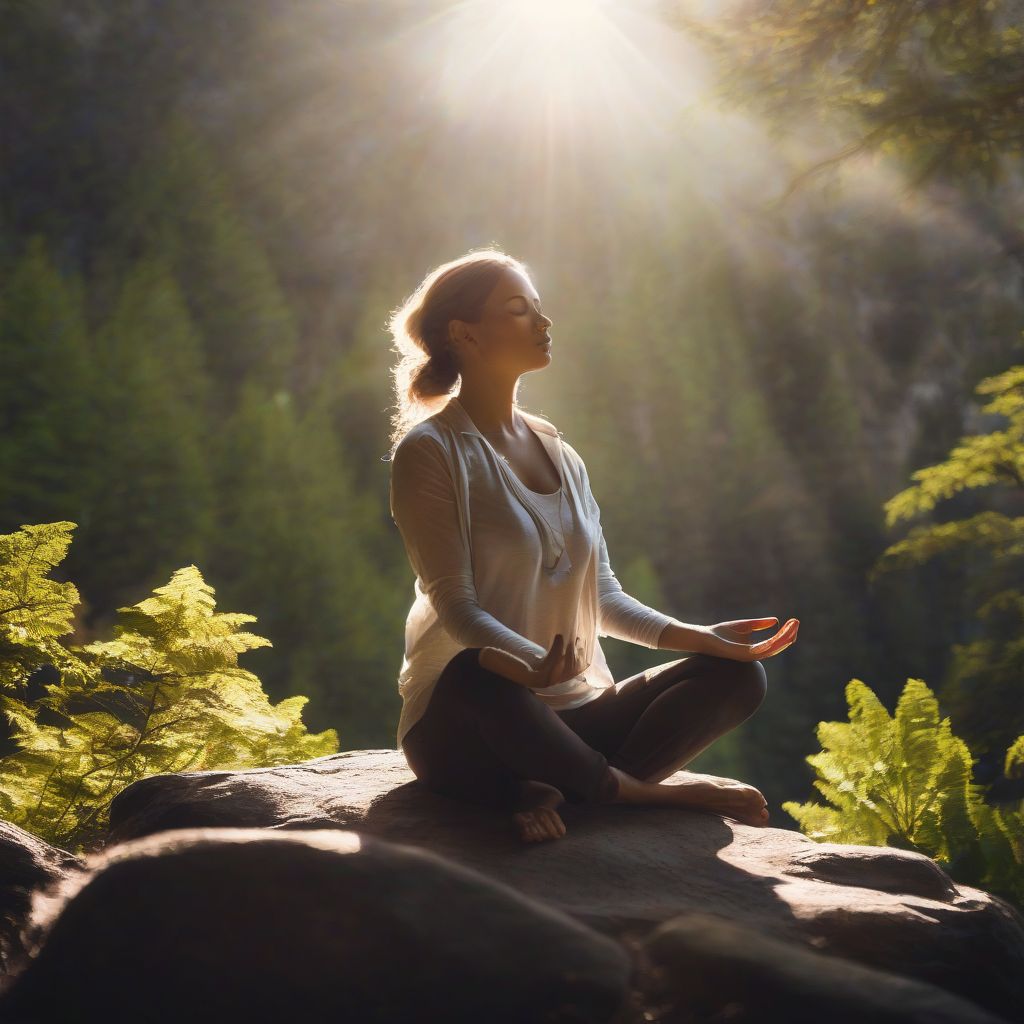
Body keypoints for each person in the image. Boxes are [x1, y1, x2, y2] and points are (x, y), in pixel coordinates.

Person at [384, 248, 800, 843]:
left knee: (736, 678)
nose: (543, 323)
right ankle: (637, 793)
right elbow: (457, 605)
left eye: (539, 308)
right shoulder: (432, 451)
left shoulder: (562, 453)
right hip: (471, 724)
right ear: (464, 334)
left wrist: (700, 638)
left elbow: (603, 597)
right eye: (519, 311)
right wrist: (528, 662)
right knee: (477, 672)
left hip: (574, 718)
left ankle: (562, 789)